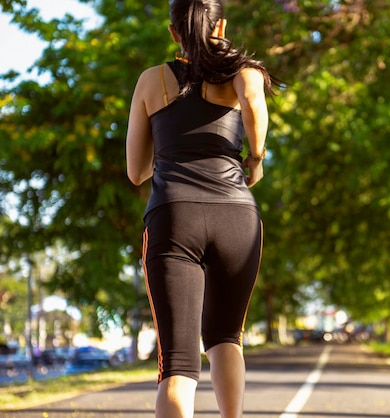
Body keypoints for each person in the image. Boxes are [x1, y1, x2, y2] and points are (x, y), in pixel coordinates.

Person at [125, 1, 275, 417]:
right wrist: (257, 159)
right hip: (238, 219)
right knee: (227, 337)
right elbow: (254, 104)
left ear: (174, 33)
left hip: (174, 218)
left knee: (177, 364)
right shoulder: (245, 72)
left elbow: (136, 171)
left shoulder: (151, 80)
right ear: (222, 25)